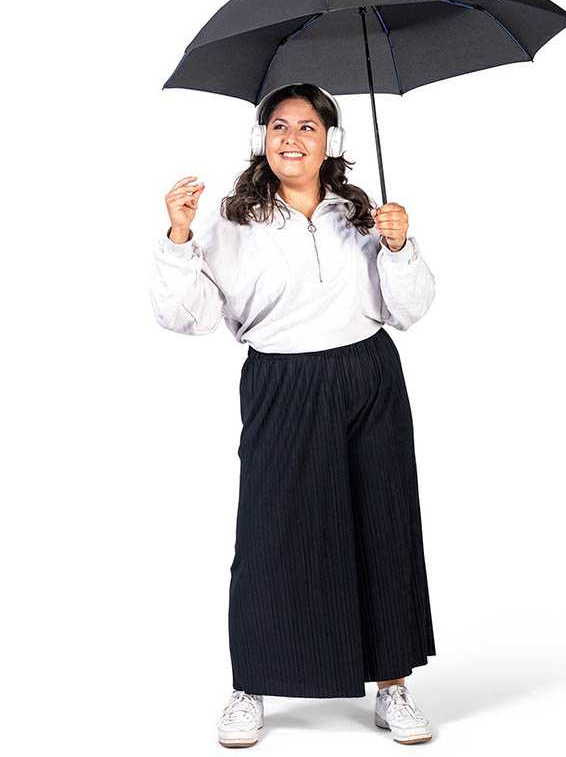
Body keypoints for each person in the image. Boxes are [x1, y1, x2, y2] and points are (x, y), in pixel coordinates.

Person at [149, 83, 437, 748]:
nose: (292, 138)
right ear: (263, 139)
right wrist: (179, 236)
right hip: (283, 381)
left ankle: (392, 686)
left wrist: (399, 246)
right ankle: (250, 685)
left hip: (369, 376)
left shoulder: (361, 213)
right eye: (279, 126)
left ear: (330, 140)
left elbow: (409, 309)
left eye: (307, 127)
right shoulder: (233, 220)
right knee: (271, 534)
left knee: (382, 524)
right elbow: (187, 317)